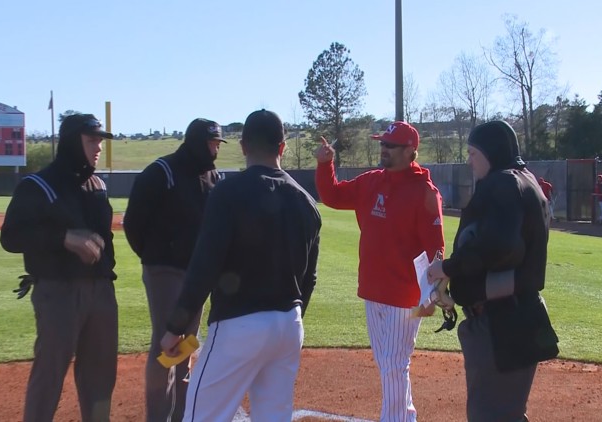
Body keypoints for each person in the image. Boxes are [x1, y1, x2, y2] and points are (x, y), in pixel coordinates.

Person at [160, 109, 321, 421]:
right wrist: (290, 320)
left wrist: (175, 328)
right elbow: (309, 279)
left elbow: (204, 266)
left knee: (201, 415)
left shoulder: (228, 192)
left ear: (244, 145)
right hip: (289, 324)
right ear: (283, 147)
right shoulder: (307, 202)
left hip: (238, 326)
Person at [427, 120, 559, 422]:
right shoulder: (526, 181)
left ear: (491, 152)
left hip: (500, 322)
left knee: (491, 415)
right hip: (520, 315)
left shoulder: (502, 182)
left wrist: (448, 268)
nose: (469, 161)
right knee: (506, 413)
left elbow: (500, 246)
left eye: (473, 153)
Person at [314, 121, 445, 421]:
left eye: (391, 145)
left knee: (394, 363)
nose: (384, 149)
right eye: (382, 144)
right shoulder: (371, 181)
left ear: (410, 151)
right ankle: (405, 416)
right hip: (373, 289)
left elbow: (436, 248)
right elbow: (333, 195)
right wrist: (325, 164)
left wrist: (434, 292)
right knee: (387, 362)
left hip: (406, 294)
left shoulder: (424, 191)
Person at [0, 114, 118, 421]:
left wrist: (107, 273)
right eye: (92, 140)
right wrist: (63, 238)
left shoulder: (97, 185)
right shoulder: (37, 185)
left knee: (101, 375)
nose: (98, 147)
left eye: (100, 141)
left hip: (101, 292)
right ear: (72, 141)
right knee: (50, 372)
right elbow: (11, 237)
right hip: (58, 291)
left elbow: (106, 237)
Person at [123, 118, 225, 421]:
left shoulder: (213, 176)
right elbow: (133, 224)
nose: (216, 149)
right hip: (165, 271)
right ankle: (158, 415)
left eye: (218, 143)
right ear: (197, 142)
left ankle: (180, 414)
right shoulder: (161, 172)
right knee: (166, 342)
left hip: (197, 274)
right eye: (213, 143)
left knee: (186, 342)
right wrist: (155, 258)